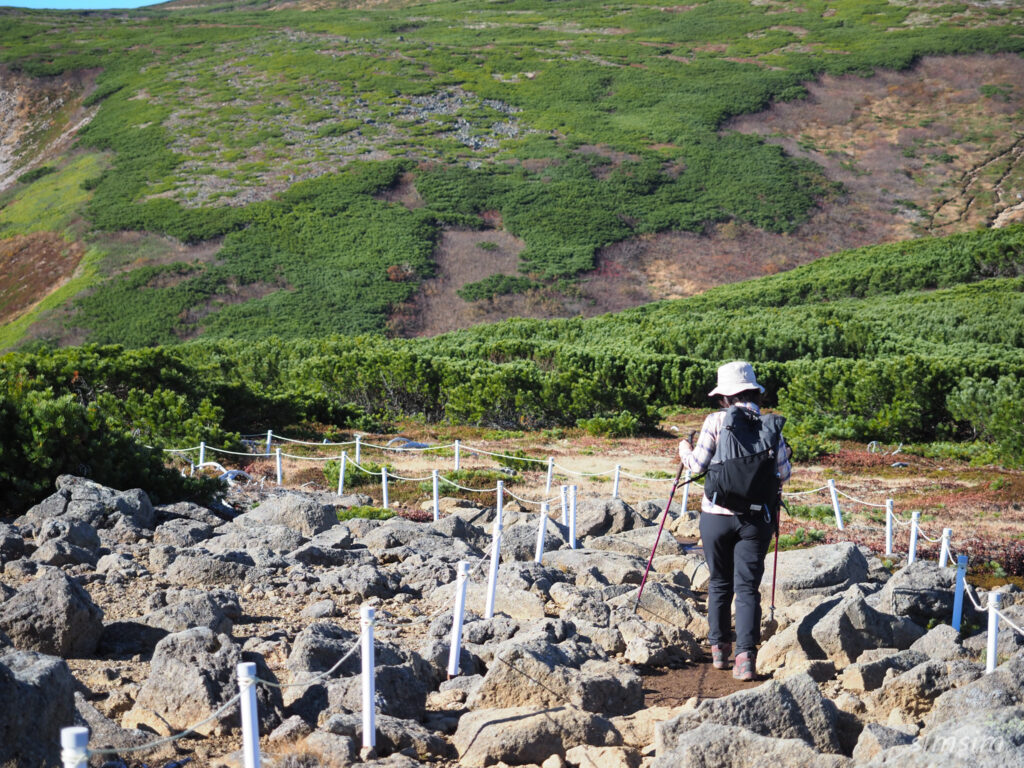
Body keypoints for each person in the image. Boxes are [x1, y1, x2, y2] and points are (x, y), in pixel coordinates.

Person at [677, 361, 791, 681]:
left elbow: (697, 465)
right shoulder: (770, 425)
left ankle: (718, 650)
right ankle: (745, 659)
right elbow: (784, 473)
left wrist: (684, 449)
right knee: (747, 588)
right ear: (754, 390)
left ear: (725, 396)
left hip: (715, 515)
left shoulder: (715, 421)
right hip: (756, 520)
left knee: (719, 582)